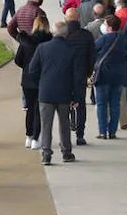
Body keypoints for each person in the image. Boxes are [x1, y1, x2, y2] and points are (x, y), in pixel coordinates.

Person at [27, 21, 86, 165]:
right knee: (64, 123)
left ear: (53, 32)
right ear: (66, 33)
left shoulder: (42, 48)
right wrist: (77, 96)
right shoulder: (72, 50)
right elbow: (78, 76)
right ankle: (66, 152)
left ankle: (46, 154)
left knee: (46, 124)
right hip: (65, 93)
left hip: (46, 92)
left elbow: (32, 70)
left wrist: (41, 83)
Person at [12, 11, 53, 149]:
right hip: (43, 78)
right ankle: (36, 136)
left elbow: (18, 60)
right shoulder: (50, 41)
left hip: (28, 78)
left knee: (30, 108)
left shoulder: (26, 41)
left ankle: (29, 136)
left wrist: (26, 67)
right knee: (39, 108)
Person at [91, 15, 127, 139]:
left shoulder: (104, 39)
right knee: (115, 103)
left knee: (101, 104)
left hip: (103, 74)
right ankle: (112, 131)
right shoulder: (123, 39)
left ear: (109, 26)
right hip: (119, 73)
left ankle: (103, 131)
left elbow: (93, 49)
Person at [62, 7, 96, 146]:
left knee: (64, 103)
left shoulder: (62, 35)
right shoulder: (86, 35)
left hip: (64, 74)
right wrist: (88, 73)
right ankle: (80, 135)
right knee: (81, 104)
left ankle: (67, 129)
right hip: (80, 74)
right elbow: (91, 57)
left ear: (66, 19)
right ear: (79, 18)